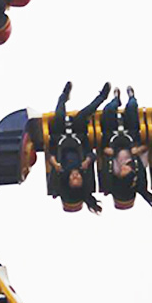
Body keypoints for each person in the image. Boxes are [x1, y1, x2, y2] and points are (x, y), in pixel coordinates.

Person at [47, 81, 110, 213]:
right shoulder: (84, 170)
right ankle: (102, 97)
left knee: (59, 115)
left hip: (59, 137)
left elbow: (51, 153)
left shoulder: (60, 172)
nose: (76, 176)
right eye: (78, 179)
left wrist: (54, 163)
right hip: (79, 137)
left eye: (73, 179)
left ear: (68, 182)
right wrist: (88, 160)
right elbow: (92, 153)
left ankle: (64, 96)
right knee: (82, 115)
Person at [99, 87, 152, 210]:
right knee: (132, 105)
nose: (123, 168)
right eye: (127, 171)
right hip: (131, 135)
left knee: (109, 109)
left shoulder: (114, 169)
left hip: (112, 136)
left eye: (122, 173)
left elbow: (101, 153)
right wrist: (138, 150)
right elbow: (147, 147)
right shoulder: (138, 165)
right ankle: (131, 97)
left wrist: (106, 151)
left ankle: (116, 100)